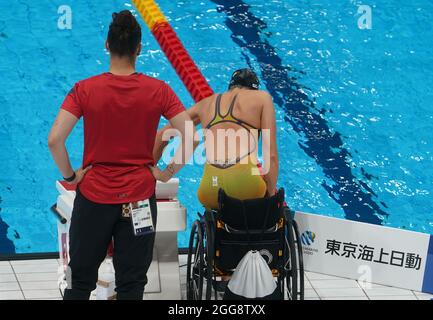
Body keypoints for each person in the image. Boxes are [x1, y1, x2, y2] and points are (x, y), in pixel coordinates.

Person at [48, 10, 194, 300]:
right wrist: (165, 173)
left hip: (94, 199)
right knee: (131, 284)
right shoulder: (159, 90)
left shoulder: (84, 89)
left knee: (80, 282)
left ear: (107, 45)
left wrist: (70, 175)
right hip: (139, 200)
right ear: (139, 48)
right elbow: (191, 135)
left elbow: (54, 140)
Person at [153, 68, 278, 209]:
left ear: (230, 87)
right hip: (246, 185)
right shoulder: (262, 98)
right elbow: (271, 157)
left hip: (210, 189)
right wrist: (272, 196)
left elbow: (162, 134)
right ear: (254, 89)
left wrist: (161, 173)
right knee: (267, 187)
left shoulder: (206, 103)